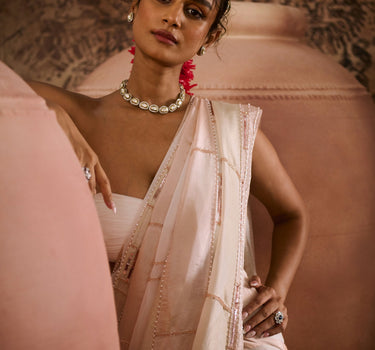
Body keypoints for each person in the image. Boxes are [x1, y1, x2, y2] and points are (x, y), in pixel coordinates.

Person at [27, 0, 308, 348]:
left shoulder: (230, 131)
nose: (173, 17)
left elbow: (291, 214)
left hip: (229, 336)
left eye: (194, 12)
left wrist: (277, 292)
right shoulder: (73, 114)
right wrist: (49, 112)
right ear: (134, 5)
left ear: (210, 35)